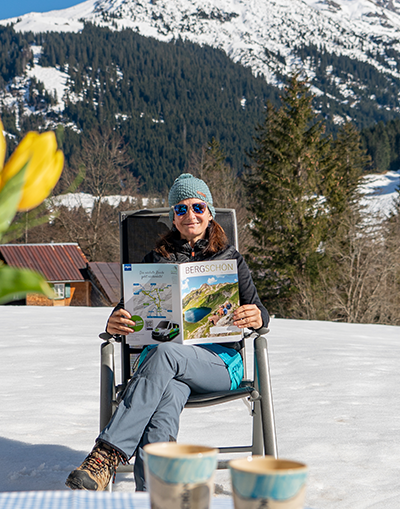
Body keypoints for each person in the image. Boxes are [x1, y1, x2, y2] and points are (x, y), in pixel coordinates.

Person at [66, 173, 269, 491]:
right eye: (181, 209)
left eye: (198, 207)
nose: (191, 215)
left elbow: (261, 315)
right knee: (167, 393)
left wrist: (256, 316)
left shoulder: (230, 260)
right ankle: (152, 494)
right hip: (166, 368)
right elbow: (129, 312)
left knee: (164, 354)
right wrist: (115, 322)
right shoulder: (155, 261)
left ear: (210, 212)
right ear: (173, 217)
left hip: (219, 363)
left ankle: (106, 454)